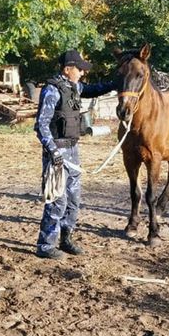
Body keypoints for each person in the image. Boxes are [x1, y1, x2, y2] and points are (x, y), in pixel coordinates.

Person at [34, 49, 118, 259]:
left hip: (73, 149)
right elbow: (41, 125)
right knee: (57, 199)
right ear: (67, 69)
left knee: (73, 198)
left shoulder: (74, 87)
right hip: (59, 151)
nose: (82, 72)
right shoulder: (52, 90)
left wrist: (115, 83)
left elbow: (93, 89)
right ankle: (45, 245)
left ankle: (66, 238)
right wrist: (53, 151)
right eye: (79, 69)